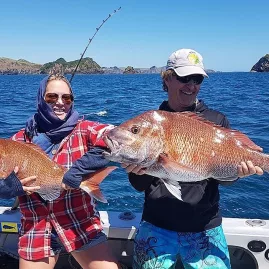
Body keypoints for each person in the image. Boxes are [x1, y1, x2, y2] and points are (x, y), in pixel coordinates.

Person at [122, 48, 264, 269]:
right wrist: (137, 166)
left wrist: (238, 172)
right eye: (184, 78)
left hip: (205, 226)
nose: (191, 86)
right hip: (157, 224)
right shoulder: (152, 121)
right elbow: (138, 185)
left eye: (197, 79)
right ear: (167, 78)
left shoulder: (217, 120)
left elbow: (222, 178)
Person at [0, 73, 119, 269]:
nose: (60, 102)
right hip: (36, 230)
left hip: (80, 225)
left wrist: (77, 172)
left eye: (66, 97)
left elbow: (118, 138)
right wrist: (10, 188)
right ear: (41, 99)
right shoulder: (18, 140)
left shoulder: (85, 130)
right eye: (52, 97)